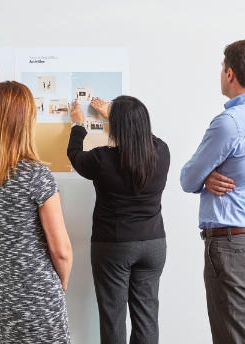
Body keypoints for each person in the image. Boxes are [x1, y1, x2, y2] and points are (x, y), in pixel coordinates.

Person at [180, 40, 245, 344]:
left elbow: (188, 178)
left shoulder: (231, 123)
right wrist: (209, 177)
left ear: (229, 74)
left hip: (233, 247)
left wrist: (203, 177)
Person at [0, 81, 73, 343]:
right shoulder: (35, 175)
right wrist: (61, 283)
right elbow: (61, 251)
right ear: (25, 121)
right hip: (35, 297)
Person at [68, 96, 170, 344]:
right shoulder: (162, 152)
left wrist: (78, 125)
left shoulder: (102, 159)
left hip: (114, 246)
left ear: (118, 125)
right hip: (154, 244)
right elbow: (142, 137)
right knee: (147, 318)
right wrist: (119, 118)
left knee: (113, 318)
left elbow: (74, 155)